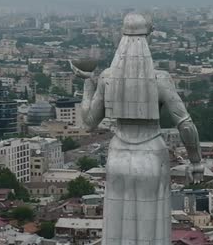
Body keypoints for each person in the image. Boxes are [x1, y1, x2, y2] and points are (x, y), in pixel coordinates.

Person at [70, 13, 203, 245]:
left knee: (118, 222)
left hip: (118, 155)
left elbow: (89, 121)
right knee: (152, 225)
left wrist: (87, 84)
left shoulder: (107, 77)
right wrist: (196, 162)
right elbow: (185, 123)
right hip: (151, 153)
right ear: (147, 38)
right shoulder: (160, 79)